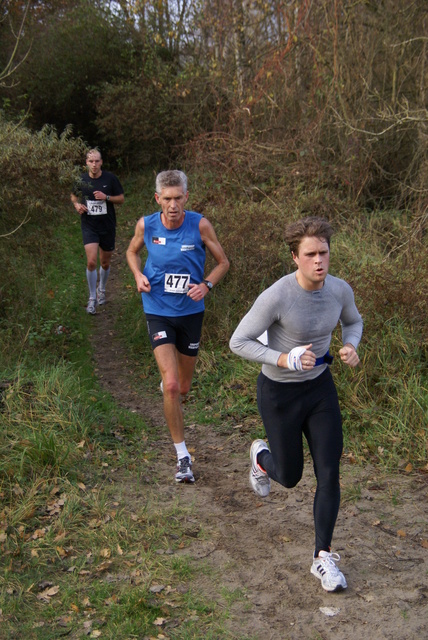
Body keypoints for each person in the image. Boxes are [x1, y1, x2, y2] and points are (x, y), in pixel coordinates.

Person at [229, 216, 363, 593]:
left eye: (324, 252)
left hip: (319, 389)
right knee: (289, 476)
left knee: (329, 470)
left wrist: (352, 345)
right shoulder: (278, 296)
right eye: (310, 254)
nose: (319, 261)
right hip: (279, 394)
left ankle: (323, 557)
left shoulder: (339, 291)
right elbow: (238, 342)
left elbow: (354, 321)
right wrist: (284, 358)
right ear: (295, 257)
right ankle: (260, 458)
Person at [126, 170, 229, 483]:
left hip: (190, 313)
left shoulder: (200, 225)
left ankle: (171, 393)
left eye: (178, 198)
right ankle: (183, 456)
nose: (173, 204)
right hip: (157, 309)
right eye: (166, 198)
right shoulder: (147, 224)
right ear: (158, 199)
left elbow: (223, 262)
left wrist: (207, 285)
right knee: (171, 384)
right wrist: (137, 275)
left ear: (186, 197)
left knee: (182, 388)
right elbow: (131, 250)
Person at [71, 149, 124, 314]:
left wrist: (106, 197)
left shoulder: (110, 179)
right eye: (91, 161)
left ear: (101, 162)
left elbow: (121, 198)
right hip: (89, 226)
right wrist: (77, 205)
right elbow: (74, 195)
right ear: (86, 163)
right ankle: (92, 298)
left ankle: (102, 289)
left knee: (105, 263)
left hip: (107, 226)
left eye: (97, 161)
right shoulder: (81, 179)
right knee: (92, 262)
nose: (94, 165)